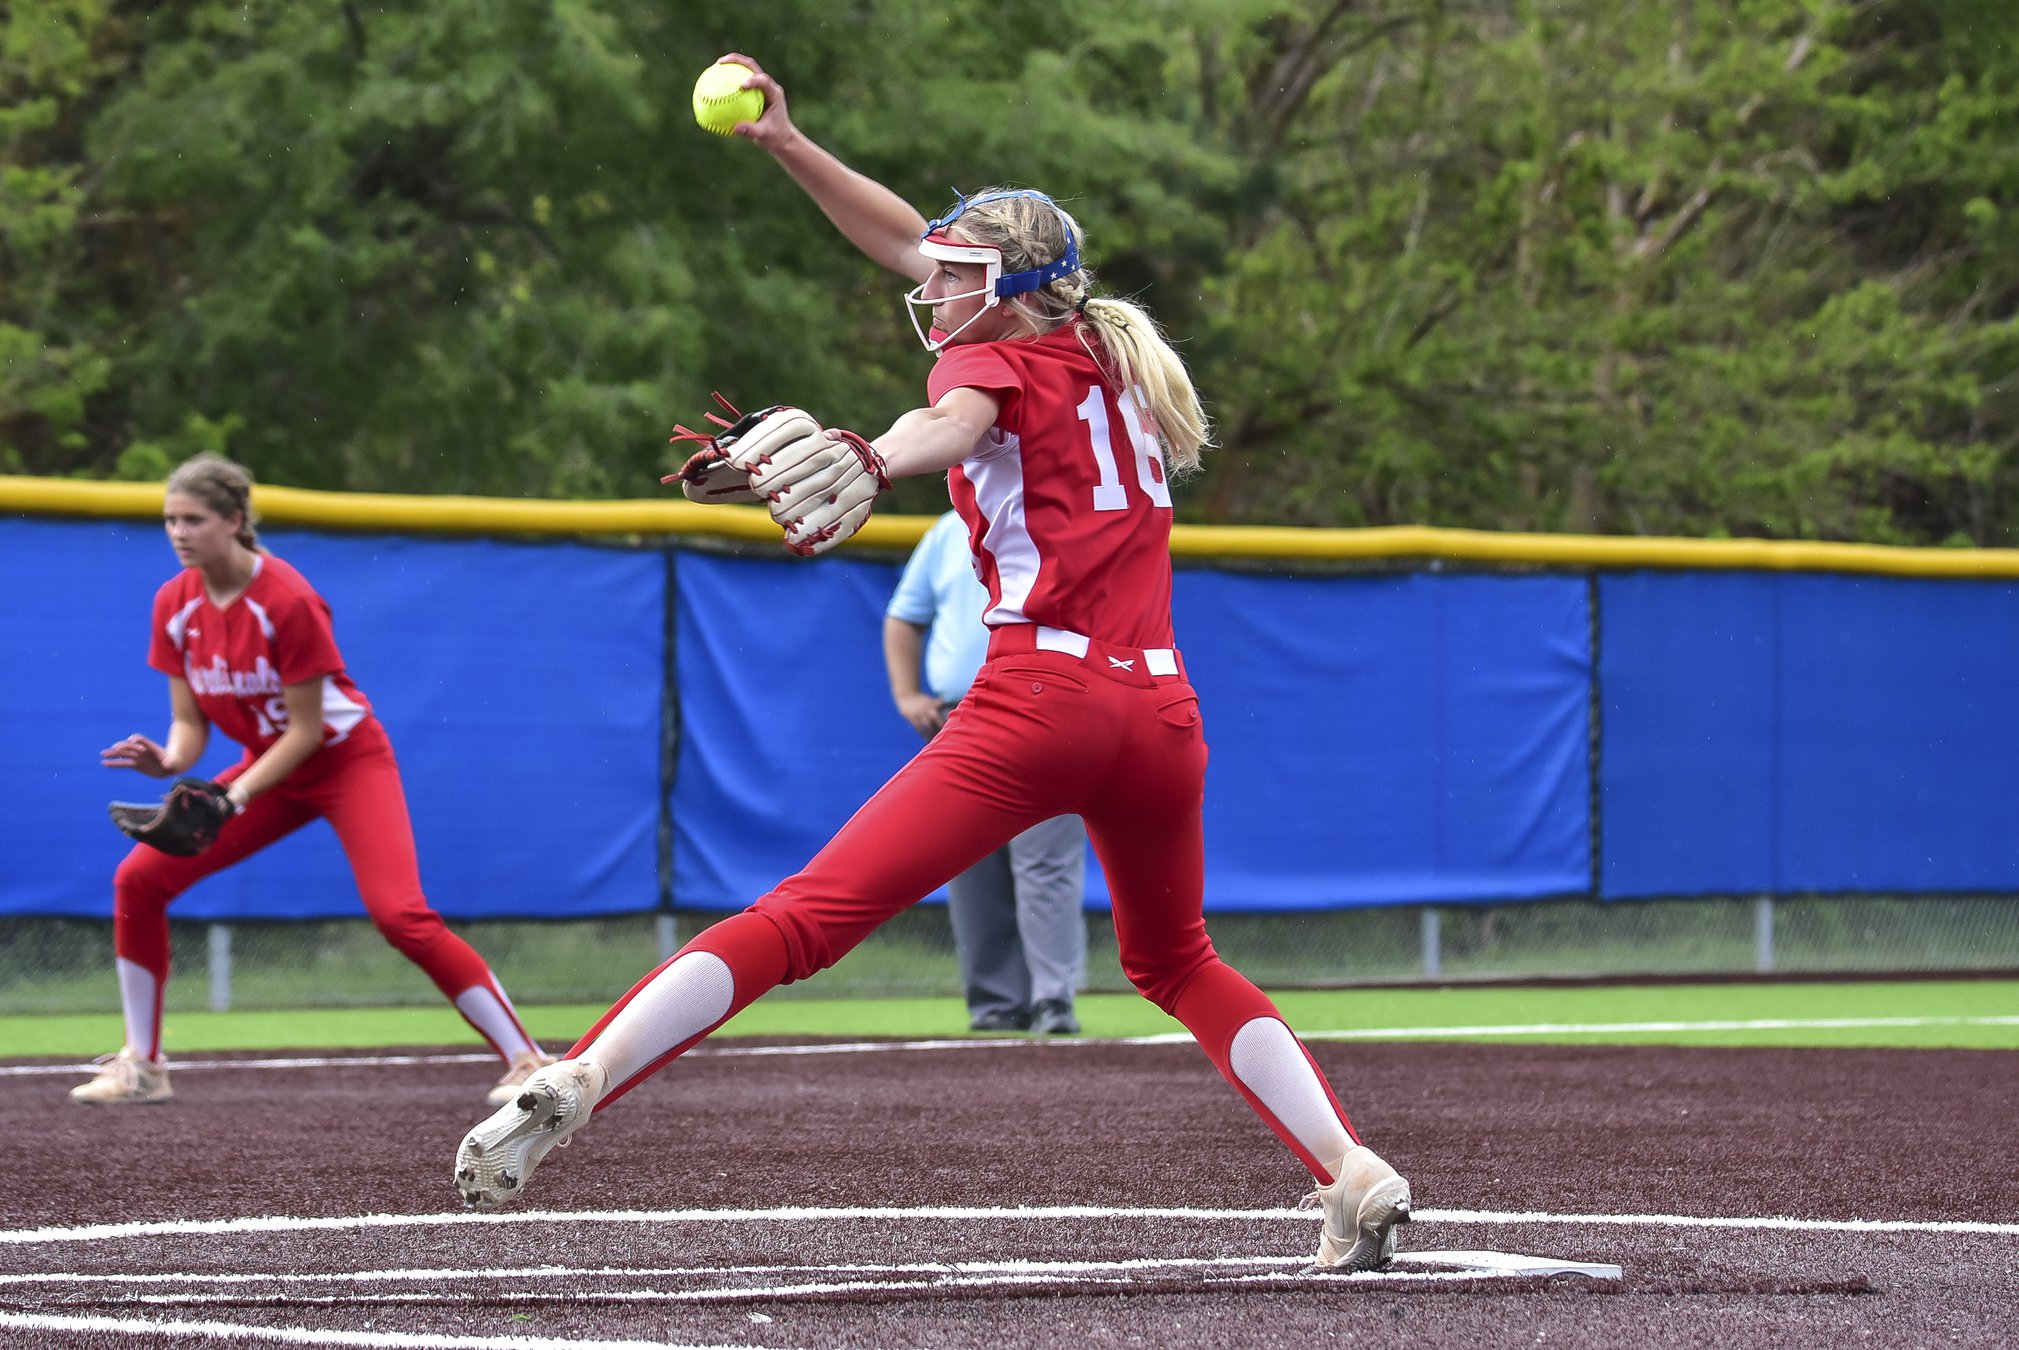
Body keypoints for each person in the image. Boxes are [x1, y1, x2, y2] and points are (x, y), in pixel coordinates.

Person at [453, 54, 1412, 1273]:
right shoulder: (1110, 358)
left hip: (1041, 700)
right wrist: (788, 146)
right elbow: (909, 240)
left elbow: (949, 422)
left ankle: (584, 1074)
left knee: (804, 918)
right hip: (1161, 713)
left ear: (1012, 294)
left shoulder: (985, 360)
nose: (935, 280)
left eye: (963, 274)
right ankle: (1351, 1168)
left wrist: (868, 451)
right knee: (1178, 960)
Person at [74, 453, 552, 1107]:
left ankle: (526, 1058)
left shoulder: (286, 599)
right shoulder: (175, 605)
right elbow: (188, 725)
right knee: (138, 879)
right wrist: (168, 761)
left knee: (400, 916)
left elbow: (304, 731)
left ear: (235, 521)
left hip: (343, 761)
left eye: (193, 519)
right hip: (268, 767)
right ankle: (143, 1065)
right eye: (169, 520)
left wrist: (233, 796)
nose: (178, 532)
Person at [887, 510, 1088, 1034]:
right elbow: (904, 615)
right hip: (961, 713)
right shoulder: (948, 529)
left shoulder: (1067, 514)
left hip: (1051, 706)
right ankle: (997, 1004)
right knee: (970, 863)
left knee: (1043, 861)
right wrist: (908, 693)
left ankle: (1052, 1000)